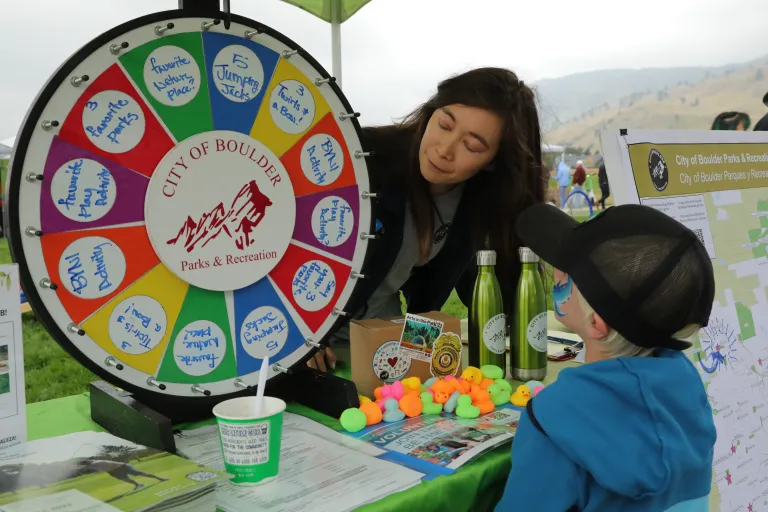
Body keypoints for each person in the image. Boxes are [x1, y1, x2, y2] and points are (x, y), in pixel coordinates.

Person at [308, 67, 548, 371]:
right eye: (444, 125)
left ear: (493, 162)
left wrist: (418, 359)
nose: (444, 150)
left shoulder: (475, 204)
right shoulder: (359, 161)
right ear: (430, 113)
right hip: (309, 346)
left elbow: (489, 300)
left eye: (472, 146)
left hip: (383, 344)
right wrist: (298, 338)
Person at [496, 204, 716, 512]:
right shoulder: (688, 391)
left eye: (569, 273)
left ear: (596, 323)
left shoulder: (553, 419)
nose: (557, 272)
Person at [74, 459, 168, 491]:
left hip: (122, 466)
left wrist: (75, 467)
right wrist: (78, 465)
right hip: (113, 471)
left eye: (85, 464)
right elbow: (86, 466)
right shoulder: (92, 463)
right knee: (125, 479)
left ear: (86, 463)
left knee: (141, 473)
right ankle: (138, 485)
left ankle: (161, 479)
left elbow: (84, 467)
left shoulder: (95, 463)